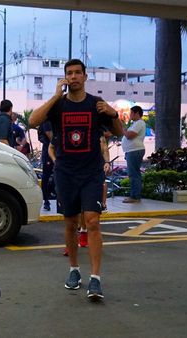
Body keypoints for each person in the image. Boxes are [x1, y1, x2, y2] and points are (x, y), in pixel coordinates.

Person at [29, 58, 123, 300]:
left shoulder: (96, 104)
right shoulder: (58, 106)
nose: (73, 77)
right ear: (65, 77)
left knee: (92, 221)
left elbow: (119, 133)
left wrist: (113, 114)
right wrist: (54, 97)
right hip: (66, 173)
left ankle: (95, 278)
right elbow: (33, 121)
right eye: (68, 73)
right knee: (70, 223)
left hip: (91, 172)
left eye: (77, 73)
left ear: (85, 76)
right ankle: (73, 270)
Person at [121, 105, 146, 203]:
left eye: (131, 113)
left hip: (134, 151)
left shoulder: (139, 123)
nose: (130, 115)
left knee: (133, 174)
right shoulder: (135, 123)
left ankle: (135, 197)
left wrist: (122, 127)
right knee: (134, 174)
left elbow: (129, 136)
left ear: (136, 113)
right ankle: (135, 196)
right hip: (132, 151)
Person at [38, 121, 54, 210]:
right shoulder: (47, 120)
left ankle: (49, 196)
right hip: (48, 153)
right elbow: (49, 134)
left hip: (56, 152)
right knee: (46, 177)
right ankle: (46, 200)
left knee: (57, 177)